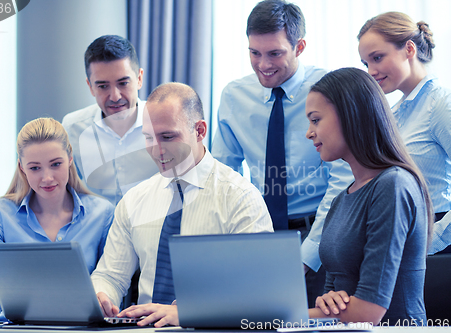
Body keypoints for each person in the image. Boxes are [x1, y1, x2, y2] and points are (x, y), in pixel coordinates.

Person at [91, 82, 273, 327]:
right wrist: (101, 294)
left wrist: (191, 312)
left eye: (167, 137)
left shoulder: (240, 198)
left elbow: (260, 292)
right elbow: (110, 275)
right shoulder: (134, 200)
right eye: (148, 137)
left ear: (199, 131)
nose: (156, 150)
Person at [210, 0, 353, 305]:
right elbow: (222, 176)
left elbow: (343, 180)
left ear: (299, 47)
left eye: (275, 53)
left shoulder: (329, 89)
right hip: (258, 235)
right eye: (254, 53)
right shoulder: (234, 96)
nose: (263, 64)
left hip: (322, 234)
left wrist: (307, 254)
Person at [305, 67, 432, 325]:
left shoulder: (393, 186)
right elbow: (331, 297)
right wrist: (325, 304)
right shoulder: (342, 199)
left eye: (316, 120)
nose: (309, 132)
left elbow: (368, 313)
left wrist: (278, 317)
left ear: (351, 115)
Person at [0, 118, 114, 320]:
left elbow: (112, 286)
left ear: (70, 158)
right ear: (22, 167)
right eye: (35, 168)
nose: (47, 178)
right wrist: (21, 284)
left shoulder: (103, 214)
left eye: (56, 164)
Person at [358, 12, 451, 254]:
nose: (371, 71)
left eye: (377, 58)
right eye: (366, 63)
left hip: (438, 244)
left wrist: (435, 239)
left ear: (409, 49)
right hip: (405, 238)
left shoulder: (440, 103)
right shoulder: (394, 112)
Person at [62, 35, 157, 206]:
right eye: (103, 86)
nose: (115, 96)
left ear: (139, 79)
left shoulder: (164, 123)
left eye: (123, 83)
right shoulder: (72, 128)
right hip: (98, 231)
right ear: (90, 86)